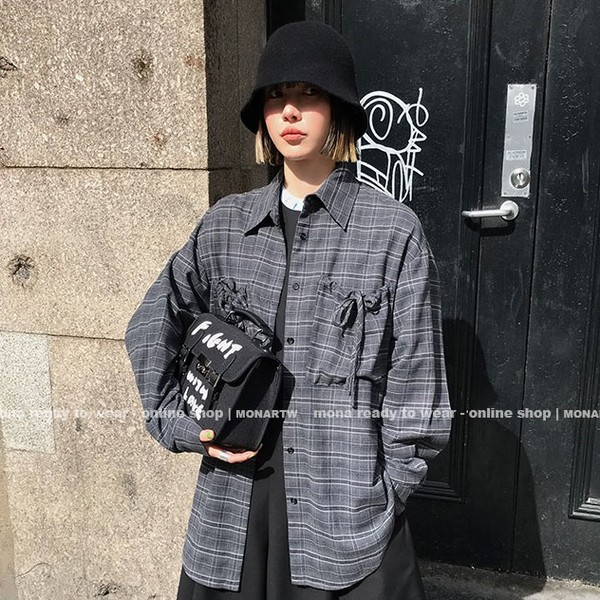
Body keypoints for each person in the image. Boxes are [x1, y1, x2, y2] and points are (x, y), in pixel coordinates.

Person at [125, 20, 451, 600]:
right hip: (233, 506)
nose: (291, 112)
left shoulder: (391, 232)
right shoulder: (226, 226)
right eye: (276, 96)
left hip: (345, 513)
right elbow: (153, 321)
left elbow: (416, 378)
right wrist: (184, 425)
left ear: (338, 109)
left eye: (309, 94)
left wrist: (390, 489)